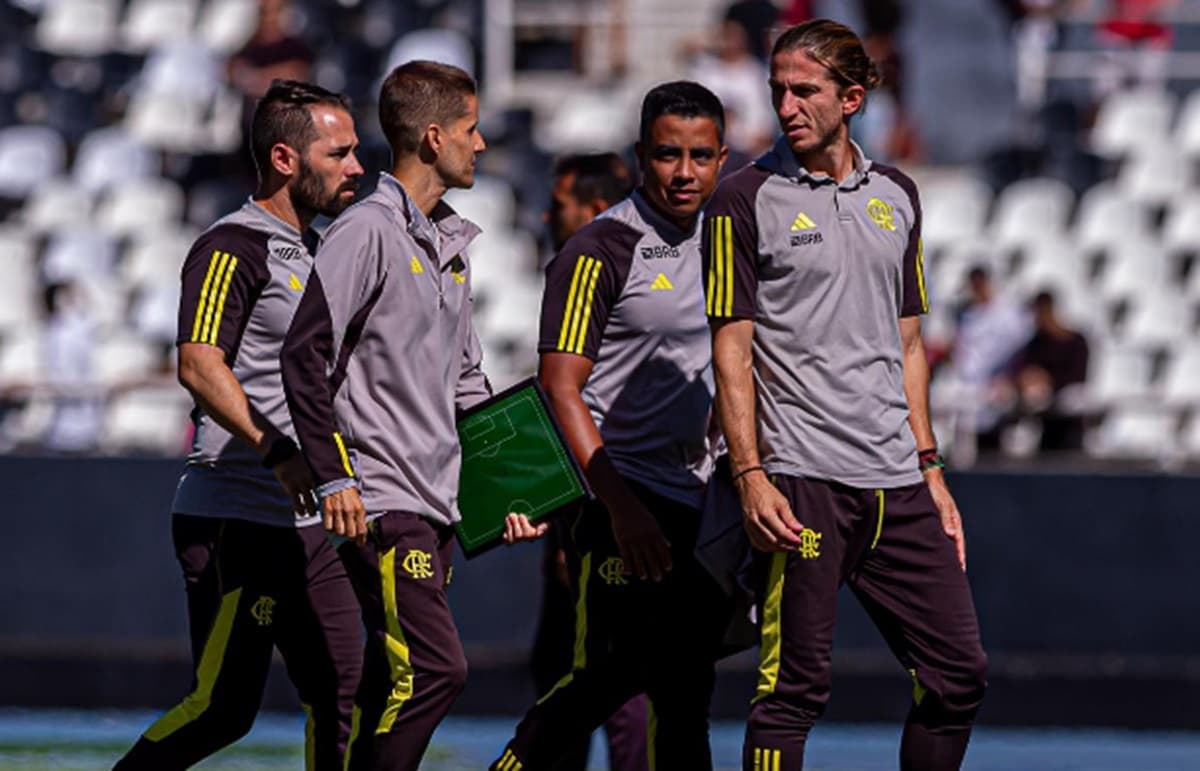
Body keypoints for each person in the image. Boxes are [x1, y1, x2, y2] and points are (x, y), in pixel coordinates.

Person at [704, 20, 987, 770]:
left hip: (899, 480)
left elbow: (907, 344)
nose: (786, 105)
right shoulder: (743, 197)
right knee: (793, 689)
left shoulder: (898, 193)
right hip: (802, 478)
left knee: (960, 676)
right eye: (778, 90)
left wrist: (931, 469)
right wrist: (751, 473)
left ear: (852, 98)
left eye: (805, 90)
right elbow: (731, 348)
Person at [279, 60, 544, 771]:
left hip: (435, 504)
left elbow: (466, 385)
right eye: (470, 128)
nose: (481, 143)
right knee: (435, 670)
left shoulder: (449, 246)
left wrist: (508, 494)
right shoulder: (365, 230)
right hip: (381, 499)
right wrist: (335, 479)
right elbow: (304, 354)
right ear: (433, 138)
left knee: (386, 674)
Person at [114, 79, 366, 771]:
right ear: (286, 158)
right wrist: (278, 450)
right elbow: (198, 363)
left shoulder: (324, 253)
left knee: (346, 695)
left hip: (314, 521)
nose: (356, 166)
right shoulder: (232, 244)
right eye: (339, 151)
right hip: (239, 514)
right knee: (225, 707)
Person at [490, 81, 731, 771]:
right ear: (640, 156)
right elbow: (558, 387)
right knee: (599, 676)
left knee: (686, 692)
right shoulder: (598, 250)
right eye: (667, 154)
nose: (684, 172)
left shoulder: (730, 237)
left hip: (702, 498)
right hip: (622, 496)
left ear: (721, 158)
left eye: (700, 155)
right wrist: (618, 508)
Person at [532, 151, 650, 771]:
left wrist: (569, 516)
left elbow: (571, 396)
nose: (550, 213)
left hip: (603, 498)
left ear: (597, 208)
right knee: (566, 663)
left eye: (563, 202)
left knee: (602, 669)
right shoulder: (591, 273)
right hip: (591, 498)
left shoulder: (607, 275)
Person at [953, 266, 1032, 451]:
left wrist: (1009, 378)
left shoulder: (1009, 315)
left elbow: (1021, 350)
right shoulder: (966, 315)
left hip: (999, 387)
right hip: (969, 388)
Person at [1014, 289, 1090, 451]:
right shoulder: (1036, 343)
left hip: (1071, 425)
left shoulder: (1076, 342)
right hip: (1045, 423)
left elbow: (1077, 377)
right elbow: (1026, 372)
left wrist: (1048, 380)